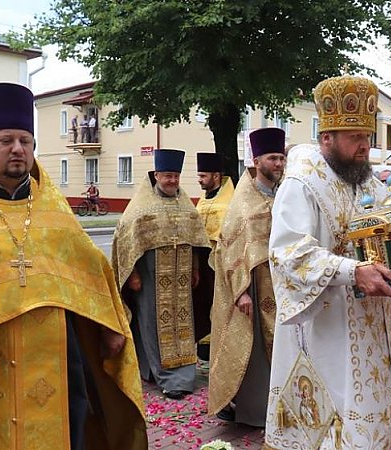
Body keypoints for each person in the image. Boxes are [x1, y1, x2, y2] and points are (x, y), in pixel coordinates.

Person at [0, 82, 147, 449]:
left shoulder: (53, 211)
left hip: (55, 356)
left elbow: (90, 271)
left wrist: (109, 326)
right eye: (6, 140)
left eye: (26, 141)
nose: (18, 149)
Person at [264, 74, 391, 449]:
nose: (365, 147)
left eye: (368, 138)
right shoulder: (302, 182)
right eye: (355, 138)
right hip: (325, 322)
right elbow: (288, 252)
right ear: (327, 138)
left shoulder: (370, 183)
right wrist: (352, 271)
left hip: (369, 321)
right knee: (332, 413)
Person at [111, 149, 211, 400]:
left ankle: (185, 374)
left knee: (183, 325)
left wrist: (196, 267)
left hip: (182, 278)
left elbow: (194, 238)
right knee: (153, 324)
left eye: (176, 176)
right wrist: (131, 273)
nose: (173, 181)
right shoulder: (140, 207)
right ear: (156, 175)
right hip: (150, 276)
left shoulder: (186, 204)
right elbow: (125, 240)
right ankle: (164, 376)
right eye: (167, 176)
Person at [207, 127, 286, 426]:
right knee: (254, 353)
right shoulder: (242, 202)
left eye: (281, 158)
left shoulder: (283, 194)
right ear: (256, 161)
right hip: (253, 287)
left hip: (281, 285)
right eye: (272, 158)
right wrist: (241, 292)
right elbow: (228, 250)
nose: (278, 164)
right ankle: (254, 412)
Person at [193, 152, 235, 348]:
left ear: (216, 176)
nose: (199, 180)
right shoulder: (203, 200)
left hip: (219, 261)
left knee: (218, 303)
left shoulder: (229, 201)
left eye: (203, 176)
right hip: (200, 261)